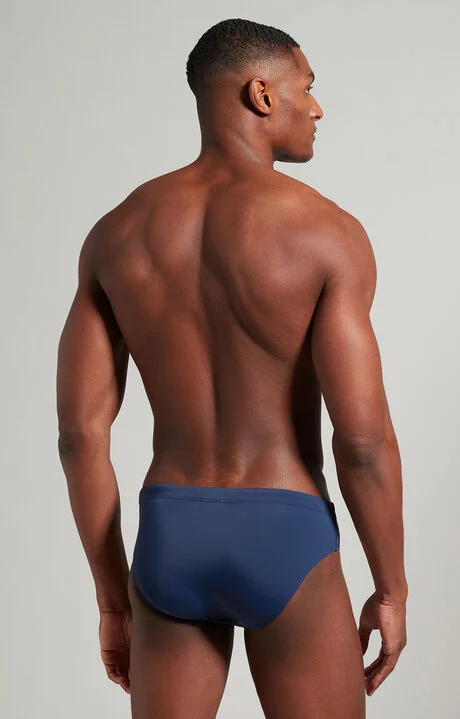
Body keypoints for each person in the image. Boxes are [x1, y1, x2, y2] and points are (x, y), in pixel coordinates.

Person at [56, 17, 408, 719]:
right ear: (261, 94)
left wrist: (113, 600)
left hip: (171, 532)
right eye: (306, 87)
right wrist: (391, 588)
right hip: (287, 529)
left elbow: (80, 438)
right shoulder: (326, 233)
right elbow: (363, 442)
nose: (317, 107)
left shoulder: (116, 233)